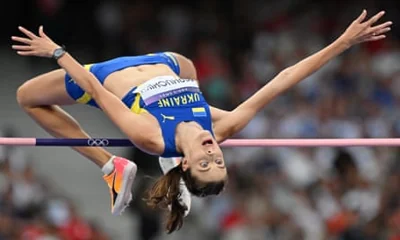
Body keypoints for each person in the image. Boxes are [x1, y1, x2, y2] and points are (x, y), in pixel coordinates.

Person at [11, 10, 391, 233]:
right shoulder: (223, 128)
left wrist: (57, 52)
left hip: (108, 75)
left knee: (26, 97)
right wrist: (342, 43)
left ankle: (110, 164)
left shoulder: (149, 136)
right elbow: (283, 79)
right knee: (203, 102)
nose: (214, 153)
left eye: (205, 163)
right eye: (219, 161)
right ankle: (172, 145)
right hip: (173, 64)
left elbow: (92, 85)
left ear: (189, 162)